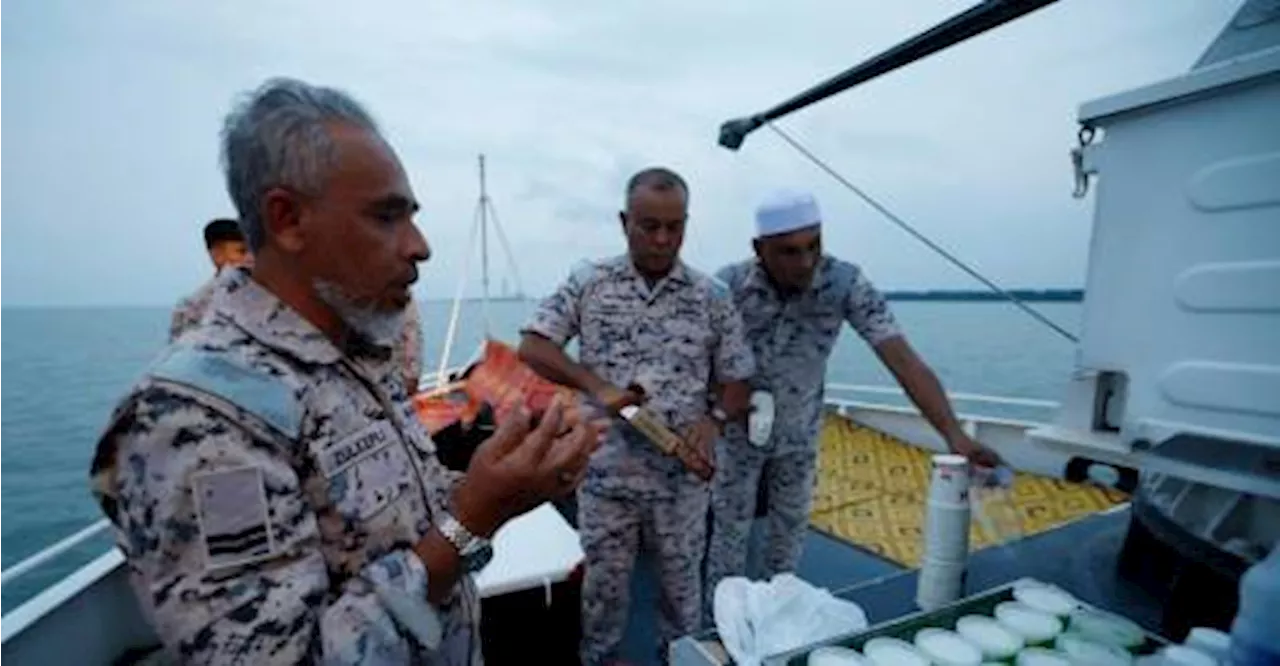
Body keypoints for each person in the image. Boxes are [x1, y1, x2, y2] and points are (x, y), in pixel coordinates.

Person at [88, 77, 604, 665]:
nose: (420, 245)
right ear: (286, 219)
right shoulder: (193, 420)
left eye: (411, 216)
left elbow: (402, 526)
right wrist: (475, 516)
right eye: (387, 217)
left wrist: (516, 483)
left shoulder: (357, 356)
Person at [705, 189, 1002, 606]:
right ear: (759, 249)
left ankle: (778, 621)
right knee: (728, 537)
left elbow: (903, 360)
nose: (805, 262)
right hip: (737, 439)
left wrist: (955, 436)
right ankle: (719, 626)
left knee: (788, 538)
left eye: (814, 246)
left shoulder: (844, 283)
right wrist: (719, 402)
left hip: (798, 437)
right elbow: (692, 358)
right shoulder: (728, 286)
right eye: (789, 252)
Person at [518, 167, 755, 666]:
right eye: (649, 225)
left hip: (680, 482)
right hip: (605, 476)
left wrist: (712, 421)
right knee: (603, 591)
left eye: (675, 226)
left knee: (680, 593)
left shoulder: (712, 296)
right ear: (625, 221)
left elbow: (738, 381)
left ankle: (677, 660)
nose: (663, 238)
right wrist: (595, 385)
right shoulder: (590, 282)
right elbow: (533, 346)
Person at [168, 218, 252, 341]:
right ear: (217, 254)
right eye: (241, 252)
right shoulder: (191, 308)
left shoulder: (261, 295)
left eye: (253, 252)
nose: (249, 259)